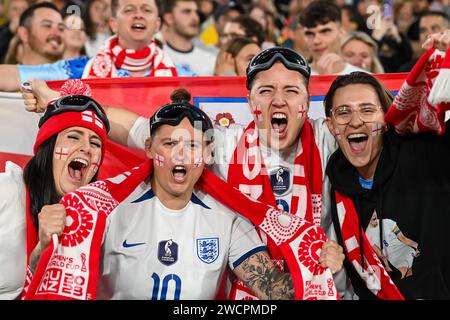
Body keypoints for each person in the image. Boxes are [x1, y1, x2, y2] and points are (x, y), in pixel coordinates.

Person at [25, 46, 349, 299]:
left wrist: (315, 271)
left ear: (309, 98)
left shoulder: (331, 136)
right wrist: (61, 103)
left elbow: (380, 126)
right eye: (266, 91)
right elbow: (134, 127)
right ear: (249, 98)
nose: (279, 101)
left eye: (291, 91)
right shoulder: (219, 142)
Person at [94, 91, 344, 299]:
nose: (181, 155)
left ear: (209, 154)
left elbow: (272, 288)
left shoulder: (227, 218)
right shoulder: (107, 207)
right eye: (170, 144)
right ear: (149, 148)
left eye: (192, 146)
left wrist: (317, 268)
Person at [324, 29, 450, 298]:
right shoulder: (334, 184)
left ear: (386, 117)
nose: (356, 121)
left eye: (367, 110)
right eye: (343, 112)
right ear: (330, 125)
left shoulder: (425, 153)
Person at [0, 86, 110, 299]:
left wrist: (42, 250)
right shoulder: (5, 192)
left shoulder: (91, 224)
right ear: (48, 148)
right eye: (74, 137)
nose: (87, 148)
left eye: (95, 143)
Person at [0, 0, 177, 92]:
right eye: (129, 9)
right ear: (113, 24)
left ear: (158, 24)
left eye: (146, 10)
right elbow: (14, 76)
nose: (138, 15)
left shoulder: (182, 77)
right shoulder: (80, 69)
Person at [299, 0, 364, 75]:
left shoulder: (365, 79)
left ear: (341, 32)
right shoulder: (295, 80)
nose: (316, 41)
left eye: (325, 31)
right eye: (309, 34)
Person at [159, 0, 217, 76]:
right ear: (169, 18)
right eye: (187, 11)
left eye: (196, 12)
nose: (195, 18)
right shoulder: (157, 58)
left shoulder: (211, 60)